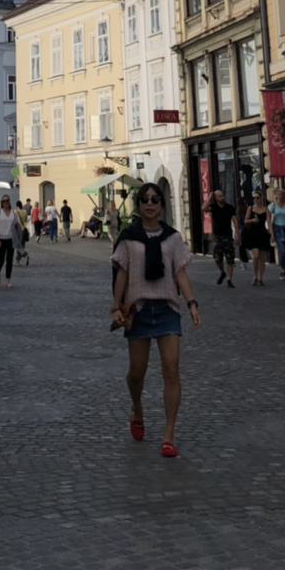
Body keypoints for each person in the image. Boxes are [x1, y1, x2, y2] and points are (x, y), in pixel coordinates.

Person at [110, 182, 201, 458]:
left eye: (155, 199)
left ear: (161, 205)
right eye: (145, 199)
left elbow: (180, 273)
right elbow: (122, 273)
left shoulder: (172, 238)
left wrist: (191, 303)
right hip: (138, 310)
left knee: (171, 369)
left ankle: (168, 435)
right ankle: (137, 407)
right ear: (138, 204)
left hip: (166, 309)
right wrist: (116, 306)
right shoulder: (129, 237)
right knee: (136, 374)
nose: (150, 204)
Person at [205, 188, 238, 288]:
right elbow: (203, 208)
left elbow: (235, 221)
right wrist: (209, 198)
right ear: (215, 198)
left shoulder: (230, 208)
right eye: (219, 196)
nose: (222, 197)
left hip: (228, 236)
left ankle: (229, 279)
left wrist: (237, 234)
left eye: (222, 196)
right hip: (217, 237)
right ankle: (222, 272)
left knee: (230, 259)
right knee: (217, 258)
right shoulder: (214, 207)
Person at [243, 189, 271, 286]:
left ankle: (260, 278)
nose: (256, 199)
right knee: (256, 256)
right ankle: (255, 275)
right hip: (253, 233)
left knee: (262, 258)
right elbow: (245, 220)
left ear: (261, 198)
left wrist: (271, 234)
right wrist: (252, 220)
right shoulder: (250, 208)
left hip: (262, 233)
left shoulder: (266, 209)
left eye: (257, 198)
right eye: (254, 198)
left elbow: (269, 222)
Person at [0, 194, 21, 287]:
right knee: (1, 259)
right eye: (3, 201)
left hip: (10, 238)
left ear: (9, 202)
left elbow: (17, 223)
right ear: (1, 202)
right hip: (1, 238)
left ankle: (7, 281)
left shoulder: (14, 212)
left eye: (7, 201)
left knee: (9, 260)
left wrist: (16, 224)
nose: (5, 202)